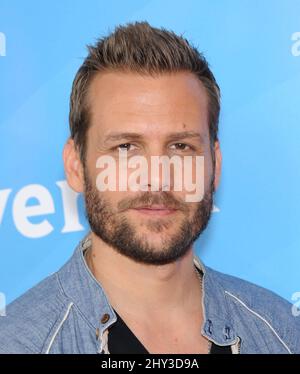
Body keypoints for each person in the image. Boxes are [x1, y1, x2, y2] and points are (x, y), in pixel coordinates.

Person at [0, 21, 299, 354]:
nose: (157, 177)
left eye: (181, 147)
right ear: (75, 166)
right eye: (126, 147)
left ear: (214, 164)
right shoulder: (17, 344)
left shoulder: (283, 334)